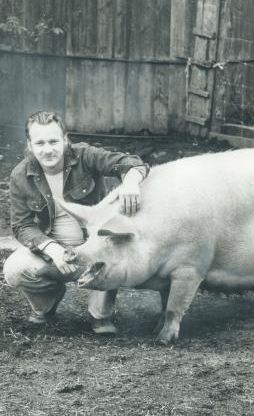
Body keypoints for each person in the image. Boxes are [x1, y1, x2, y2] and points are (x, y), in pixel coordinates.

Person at [3, 111, 149, 334]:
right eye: (40, 143)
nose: (48, 149)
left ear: (64, 139)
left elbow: (129, 163)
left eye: (53, 141)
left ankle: (99, 315)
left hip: (92, 250)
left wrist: (130, 182)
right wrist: (53, 249)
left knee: (114, 255)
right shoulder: (20, 175)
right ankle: (47, 303)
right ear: (30, 145)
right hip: (52, 255)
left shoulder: (85, 156)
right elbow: (21, 225)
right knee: (14, 269)